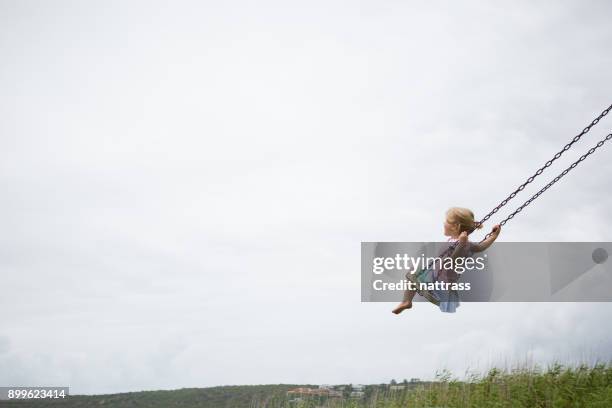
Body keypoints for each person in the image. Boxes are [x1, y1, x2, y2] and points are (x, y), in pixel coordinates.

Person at [392, 207, 501, 314]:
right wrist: (492, 235)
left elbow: (453, 261)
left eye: (447, 222)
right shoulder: (457, 241)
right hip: (434, 276)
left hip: (442, 283)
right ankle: (407, 301)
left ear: (455, 227)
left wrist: (462, 244)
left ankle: (407, 301)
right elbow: (480, 246)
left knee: (414, 272)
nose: (444, 223)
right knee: (414, 271)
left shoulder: (464, 245)